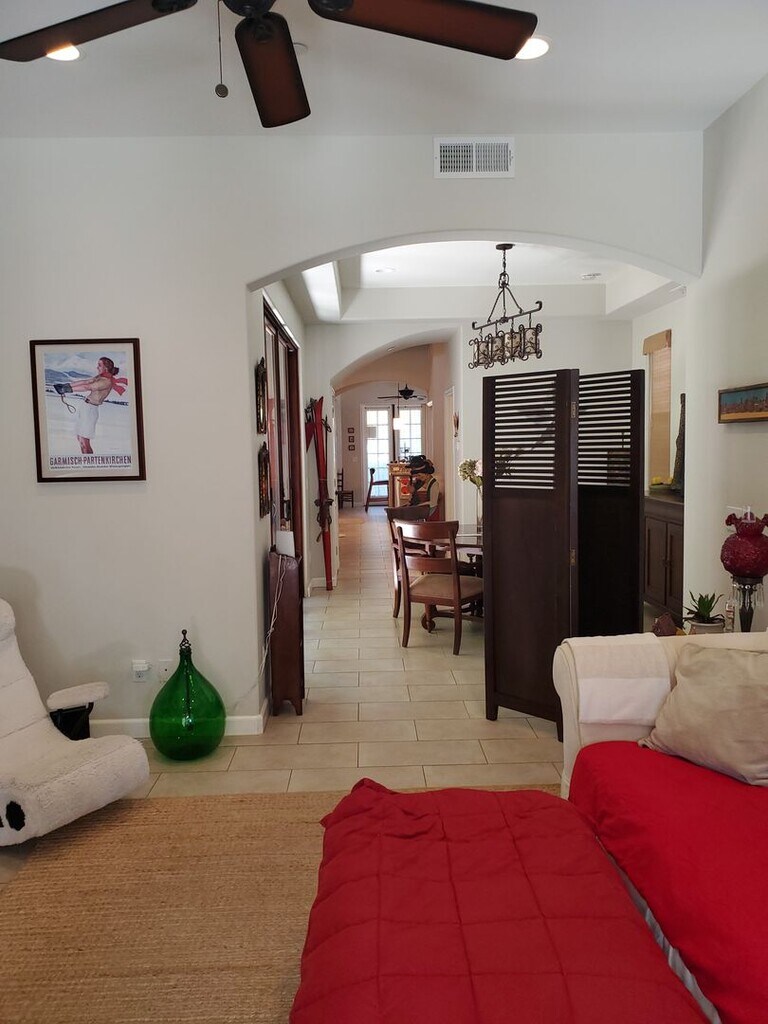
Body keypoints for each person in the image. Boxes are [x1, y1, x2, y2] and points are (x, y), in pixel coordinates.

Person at [54, 357, 124, 455]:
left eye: (99, 365)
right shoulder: (100, 377)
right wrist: (66, 386)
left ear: (106, 368)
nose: (97, 367)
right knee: (80, 439)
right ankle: (85, 460)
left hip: (90, 410)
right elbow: (86, 382)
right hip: (86, 408)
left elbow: (87, 387)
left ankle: (89, 462)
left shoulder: (106, 381)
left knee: (84, 440)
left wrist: (66, 390)